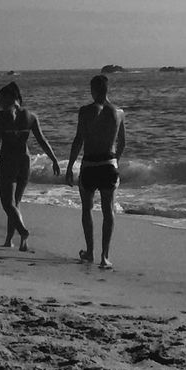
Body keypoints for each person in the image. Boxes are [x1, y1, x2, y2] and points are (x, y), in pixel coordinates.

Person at [0, 81, 60, 251]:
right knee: (15, 203)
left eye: (1, 99)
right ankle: (11, 240)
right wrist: (54, 159)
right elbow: (42, 140)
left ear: (11, 98)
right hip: (25, 161)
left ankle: (23, 231)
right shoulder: (31, 116)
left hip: (8, 161)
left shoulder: (1, 116)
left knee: (8, 204)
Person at [65, 74, 126, 269]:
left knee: (87, 209)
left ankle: (90, 251)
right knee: (108, 210)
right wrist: (116, 161)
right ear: (108, 89)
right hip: (108, 164)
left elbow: (78, 140)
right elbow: (122, 142)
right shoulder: (119, 112)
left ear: (93, 90)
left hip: (90, 165)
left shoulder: (85, 111)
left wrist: (69, 166)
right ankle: (105, 256)